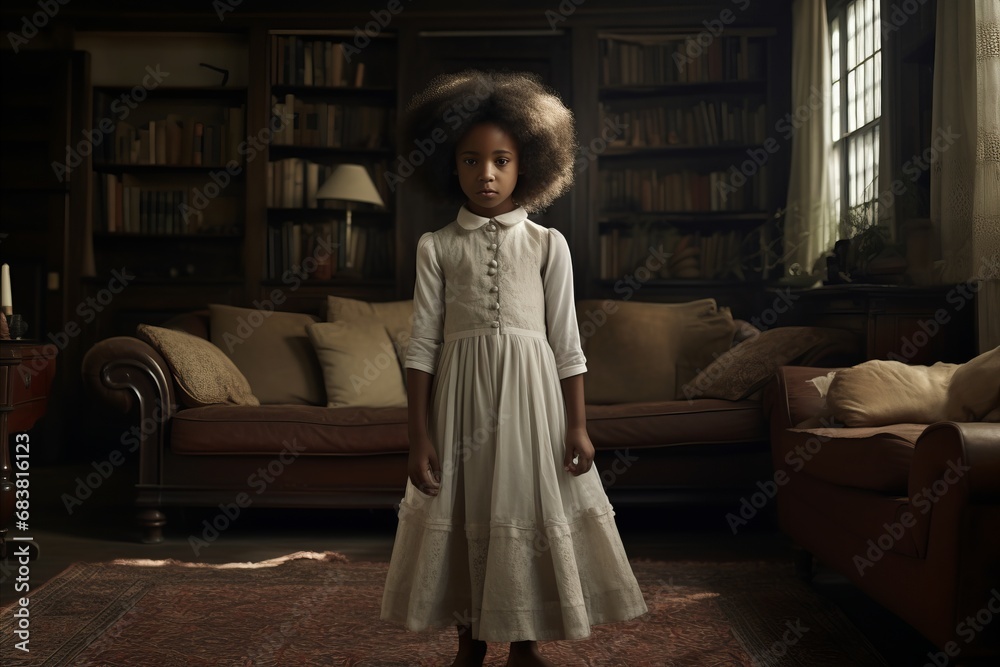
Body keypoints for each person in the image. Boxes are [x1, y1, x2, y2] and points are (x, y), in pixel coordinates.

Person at [380, 70, 647, 667]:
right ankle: (469, 642)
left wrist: (578, 426)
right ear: (451, 165)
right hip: (460, 404)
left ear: (528, 163)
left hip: (534, 405)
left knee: (525, 510)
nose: (487, 174)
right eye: (471, 160)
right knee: (467, 510)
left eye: (501, 159)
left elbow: (568, 343)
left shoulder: (549, 245)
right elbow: (422, 346)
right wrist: (417, 435)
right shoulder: (437, 247)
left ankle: (526, 642)